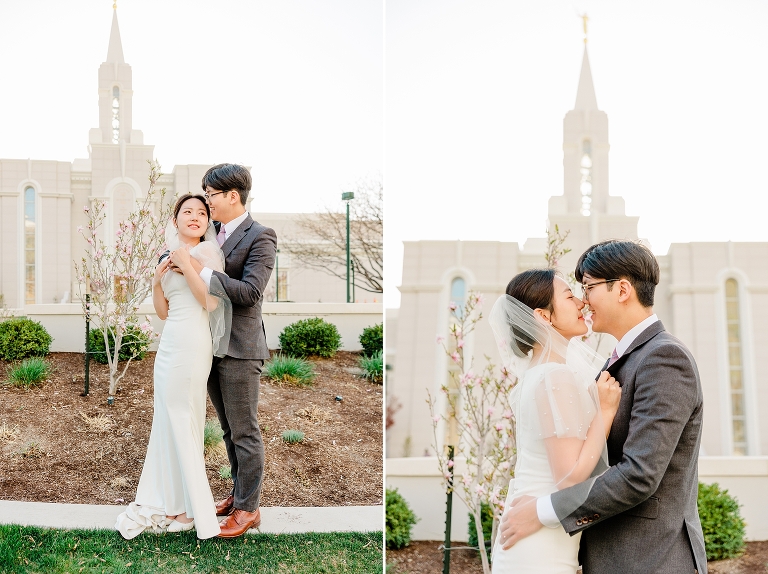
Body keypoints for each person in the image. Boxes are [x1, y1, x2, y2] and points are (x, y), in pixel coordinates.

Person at [497, 241, 707, 574]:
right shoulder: (614, 363)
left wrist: (543, 510)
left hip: (649, 559)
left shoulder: (664, 359)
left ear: (622, 289)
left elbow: (639, 475)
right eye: (575, 292)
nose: (583, 300)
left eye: (589, 288)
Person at [488, 268, 621, 573]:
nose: (581, 303)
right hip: (539, 540)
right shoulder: (554, 378)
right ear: (543, 316)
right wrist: (605, 411)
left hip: (539, 532)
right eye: (569, 295)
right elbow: (569, 477)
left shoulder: (539, 375)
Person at [116, 193, 227, 540]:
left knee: (183, 417)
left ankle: (190, 510)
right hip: (169, 343)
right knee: (166, 419)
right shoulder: (165, 253)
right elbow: (163, 312)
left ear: (208, 221)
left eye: (201, 212)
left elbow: (210, 302)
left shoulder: (208, 253)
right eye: (187, 212)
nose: (195, 217)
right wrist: (155, 280)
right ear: (175, 219)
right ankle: (171, 501)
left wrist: (189, 264)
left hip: (194, 344)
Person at [180, 164, 277, 538]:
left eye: (210, 195)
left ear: (231, 196)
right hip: (210, 347)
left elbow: (250, 293)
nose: (207, 202)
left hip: (240, 348)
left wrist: (199, 271)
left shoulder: (261, 237)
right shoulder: (213, 232)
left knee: (245, 431)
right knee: (227, 429)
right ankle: (239, 496)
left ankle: (249, 510)